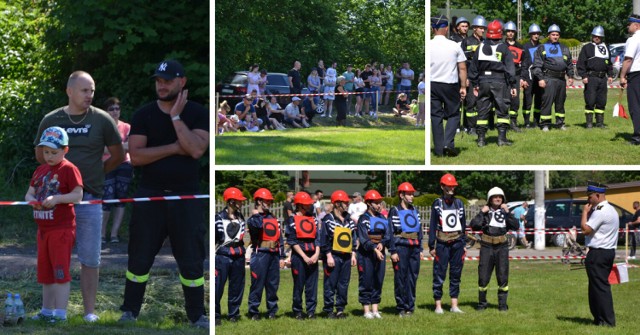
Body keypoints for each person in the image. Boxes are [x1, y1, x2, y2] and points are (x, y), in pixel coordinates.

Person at [119, 60, 210, 328]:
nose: (161, 85)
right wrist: (173, 146)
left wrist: (175, 118)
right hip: (150, 196)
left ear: (182, 82)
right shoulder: (143, 115)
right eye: (158, 80)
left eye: (167, 80)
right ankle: (129, 312)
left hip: (186, 197)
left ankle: (196, 315)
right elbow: (135, 156)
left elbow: (195, 150)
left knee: (192, 260)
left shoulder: (197, 113)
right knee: (139, 256)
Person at [35, 71, 124, 323]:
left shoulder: (102, 119)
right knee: (52, 257)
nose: (90, 95)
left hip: (90, 199)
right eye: (85, 90)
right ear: (70, 91)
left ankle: (89, 313)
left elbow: (117, 155)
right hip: (55, 205)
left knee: (90, 258)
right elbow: (40, 156)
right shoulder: (51, 119)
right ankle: (50, 311)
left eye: (92, 91)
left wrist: (91, 179)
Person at [27, 127, 83, 323]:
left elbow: (78, 195)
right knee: (45, 273)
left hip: (62, 229)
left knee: (60, 272)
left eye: (54, 152)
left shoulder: (69, 169)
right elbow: (30, 193)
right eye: (45, 152)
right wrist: (31, 199)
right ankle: (46, 311)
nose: (49, 156)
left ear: (65, 150)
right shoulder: (40, 169)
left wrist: (57, 198)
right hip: (43, 230)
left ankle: (60, 314)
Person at [469, 20, 518, 147]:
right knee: (502, 110)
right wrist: (513, 85)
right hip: (500, 82)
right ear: (500, 33)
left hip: (483, 81)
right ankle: (501, 139)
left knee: (482, 110)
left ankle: (481, 140)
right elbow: (510, 69)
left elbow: (473, 68)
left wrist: (475, 84)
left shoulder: (480, 48)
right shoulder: (503, 48)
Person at [470, 187, 519, 311]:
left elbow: (515, 226)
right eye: (495, 197)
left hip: (502, 247)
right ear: (490, 199)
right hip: (486, 246)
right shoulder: (485, 213)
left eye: (500, 197)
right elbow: (474, 225)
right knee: (483, 276)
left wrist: (507, 213)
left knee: (502, 276)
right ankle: (482, 304)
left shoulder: (505, 212)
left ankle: (502, 305)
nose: (498, 199)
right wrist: (482, 212)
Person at [581, 182, 618, 327]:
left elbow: (585, 230)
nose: (588, 199)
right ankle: (599, 318)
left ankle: (607, 321)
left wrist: (584, 213)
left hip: (598, 253)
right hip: (607, 252)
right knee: (597, 286)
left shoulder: (600, 211)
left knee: (600, 288)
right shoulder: (611, 209)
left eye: (590, 196)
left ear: (598, 195)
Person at [357, 190, 398, 319]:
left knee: (378, 280)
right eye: (376, 202)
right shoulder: (363, 219)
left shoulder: (382, 218)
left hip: (379, 253)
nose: (379, 205)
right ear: (369, 203)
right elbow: (363, 239)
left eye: (380, 202)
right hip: (366, 255)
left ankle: (375, 309)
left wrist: (383, 243)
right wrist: (374, 248)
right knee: (366, 280)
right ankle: (366, 310)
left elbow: (388, 234)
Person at [428, 173, 466, 314]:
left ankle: (454, 305)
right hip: (442, 244)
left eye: (453, 186)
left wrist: (463, 244)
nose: (451, 188)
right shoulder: (437, 203)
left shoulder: (459, 203)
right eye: (449, 186)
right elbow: (432, 225)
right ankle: (438, 305)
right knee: (439, 274)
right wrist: (432, 245)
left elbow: (463, 226)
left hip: (457, 243)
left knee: (456, 274)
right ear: (442, 186)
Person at [431, 14, 467, 157]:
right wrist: (463, 86)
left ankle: (439, 149)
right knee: (453, 114)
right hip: (450, 84)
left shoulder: (428, 45)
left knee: (436, 116)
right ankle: (448, 143)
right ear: (446, 29)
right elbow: (462, 68)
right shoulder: (454, 45)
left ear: (432, 28)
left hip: (433, 84)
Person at [247, 188, 286, 321]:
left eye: (270, 201)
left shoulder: (273, 218)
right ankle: (253, 311)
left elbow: (279, 237)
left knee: (272, 284)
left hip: (274, 254)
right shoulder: (253, 219)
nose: (269, 203)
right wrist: (257, 214)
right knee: (257, 284)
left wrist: (281, 256)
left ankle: (272, 310)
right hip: (260, 254)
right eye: (267, 201)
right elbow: (257, 227)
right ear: (258, 201)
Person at [320, 190, 357, 319]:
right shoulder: (328, 220)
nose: (347, 205)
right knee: (330, 283)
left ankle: (340, 309)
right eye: (344, 203)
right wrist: (328, 255)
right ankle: (329, 309)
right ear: (336, 204)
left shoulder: (349, 220)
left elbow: (353, 238)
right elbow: (324, 239)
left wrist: (353, 254)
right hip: (333, 256)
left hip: (346, 256)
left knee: (343, 283)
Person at [101, 97, 133, 244]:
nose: (115, 111)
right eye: (111, 109)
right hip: (106, 164)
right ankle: (101, 234)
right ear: (105, 111)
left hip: (124, 165)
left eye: (117, 108)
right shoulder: (102, 126)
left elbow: (131, 146)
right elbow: (99, 149)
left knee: (121, 199)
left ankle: (114, 234)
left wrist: (112, 148)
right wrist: (121, 147)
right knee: (107, 199)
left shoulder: (127, 127)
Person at [531, 24, 574, 131]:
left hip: (561, 79)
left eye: (557, 35)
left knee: (560, 102)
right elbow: (537, 65)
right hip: (548, 78)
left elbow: (569, 63)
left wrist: (570, 76)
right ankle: (545, 124)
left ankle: (560, 123)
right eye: (553, 34)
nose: (555, 36)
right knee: (547, 102)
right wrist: (540, 78)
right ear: (549, 35)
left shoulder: (564, 48)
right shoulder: (542, 47)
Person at [388, 182, 422, 317]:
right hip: (401, 247)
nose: (412, 196)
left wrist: (419, 248)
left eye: (412, 194)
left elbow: (419, 231)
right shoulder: (394, 211)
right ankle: (401, 307)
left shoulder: (415, 210)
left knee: (412, 277)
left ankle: (410, 306)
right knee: (401, 277)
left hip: (414, 248)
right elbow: (390, 232)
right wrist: (393, 251)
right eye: (409, 194)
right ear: (401, 195)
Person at [286, 192, 321, 320]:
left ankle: (311, 311)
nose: (310, 206)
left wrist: (316, 254)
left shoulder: (313, 219)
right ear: (300, 205)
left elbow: (318, 238)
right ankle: (297, 310)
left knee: (312, 285)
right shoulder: (292, 219)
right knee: (299, 284)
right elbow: (292, 241)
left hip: (313, 255)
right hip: (299, 257)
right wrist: (304, 257)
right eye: (308, 204)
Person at [214, 187, 247, 326]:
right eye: (239, 201)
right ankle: (216, 315)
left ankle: (234, 313)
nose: (242, 203)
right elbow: (215, 238)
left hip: (238, 255)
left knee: (237, 286)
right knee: (218, 287)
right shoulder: (219, 217)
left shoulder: (241, 217)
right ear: (231, 201)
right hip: (223, 256)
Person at [577, 26, 614, 129]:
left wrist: (610, 75)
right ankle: (589, 123)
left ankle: (599, 123)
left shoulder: (605, 47)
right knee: (590, 100)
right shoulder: (587, 48)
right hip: (591, 77)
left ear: (602, 37)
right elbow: (580, 63)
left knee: (601, 101)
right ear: (592, 36)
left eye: (599, 36)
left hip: (603, 78)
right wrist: (583, 75)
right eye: (595, 36)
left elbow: (609, 63)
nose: (596, 38)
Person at [460, 15, 487, 135]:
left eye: (484, 28)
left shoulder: (486, 42)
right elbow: (463, 61)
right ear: (475, 28)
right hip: (471, 76)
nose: (483, 30)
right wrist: (465, 78)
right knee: (471, 102)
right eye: (480, 28)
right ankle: (471, 127)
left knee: (481, 102)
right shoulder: (466, 41)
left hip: (483, 76)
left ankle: (480, 126)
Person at [619, 14, 640, 145]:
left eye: (629, 24)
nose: (628, 26)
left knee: (635, 106)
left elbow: (628, 59)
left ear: (636, 25)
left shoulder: (634, 39)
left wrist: (622, 76)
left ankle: (638, 136)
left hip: (636, 75)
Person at [521, 23, 544, 128]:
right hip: (528, 77)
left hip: (538, 77)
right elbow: (523, 64)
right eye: (534, 33)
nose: (536, 35)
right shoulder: (525, 47)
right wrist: (523, 78)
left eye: (537, 33)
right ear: (530, 34)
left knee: (539, 100)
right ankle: (526, 122)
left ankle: (536, 121)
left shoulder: (542, 46)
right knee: (527, 100)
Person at [504, 21, 525, 132]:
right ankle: (504, 123)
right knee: (504, 99)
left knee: (515, 100)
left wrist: (522, 77)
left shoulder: (520, 47)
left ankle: (513, 122)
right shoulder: (502, 46)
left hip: (516, 76)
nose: (511, 33)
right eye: (508, 31)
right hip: (503, 77)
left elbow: (524, 63)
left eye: (512, 31)